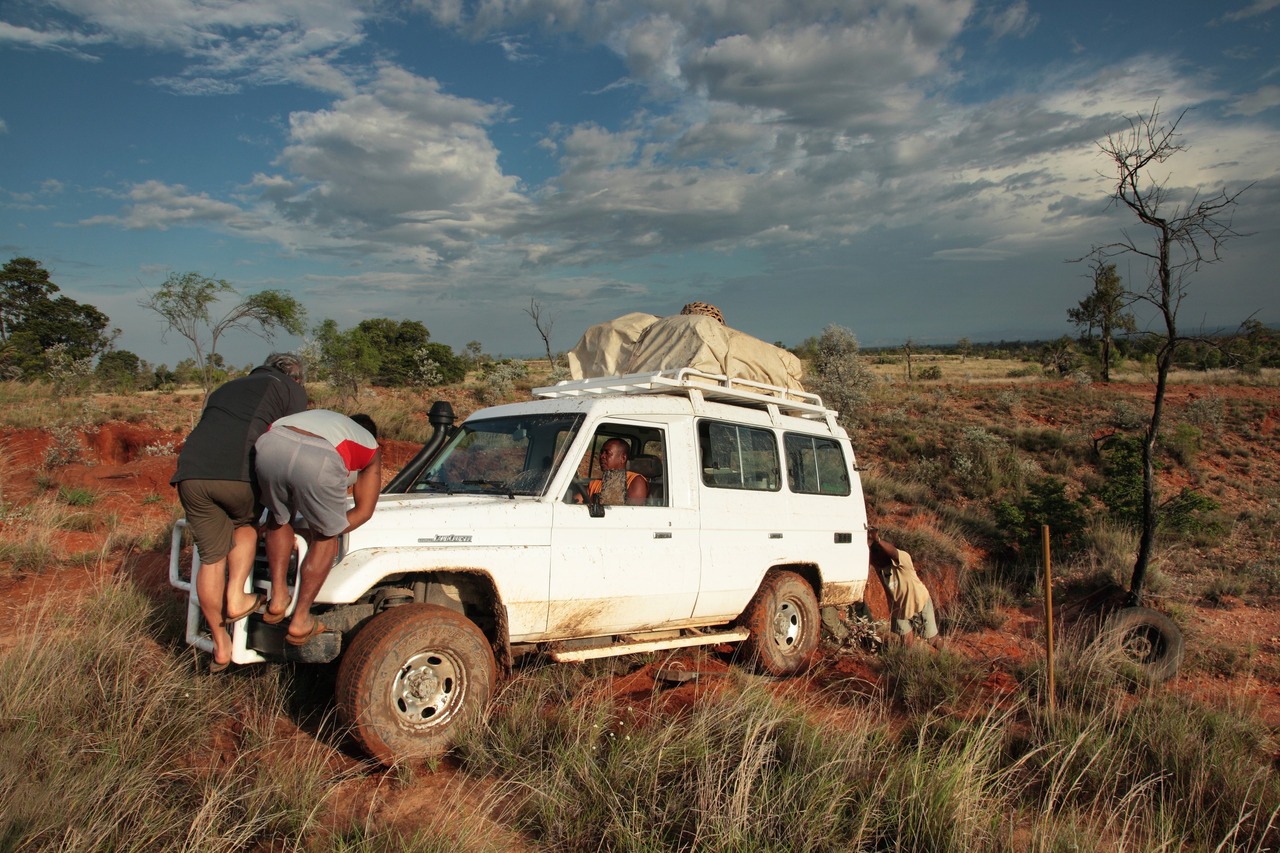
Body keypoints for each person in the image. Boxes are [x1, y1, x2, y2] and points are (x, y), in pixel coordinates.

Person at [171, 352, 307, 672]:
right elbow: (293, 437)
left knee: (211, 558)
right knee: (244, 525)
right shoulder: (290, 389)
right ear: (296, 377)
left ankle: (220, 646)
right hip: (237, 474)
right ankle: (237, 596)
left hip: (191, 473)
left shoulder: (227, 387)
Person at [255, 410, 382, 647]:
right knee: (326, 537)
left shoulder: (324, 419)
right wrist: (320, 531)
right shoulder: (370, 446)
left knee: (279, 516)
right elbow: (363, 511)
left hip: (272, 442)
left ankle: (278, 598)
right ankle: (301, 619)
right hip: (319, 457)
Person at [868, 527, 940, 648]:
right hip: (899, 607)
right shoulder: (880, 569)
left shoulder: (903, 560)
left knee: (932, 640)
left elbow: (894, 553)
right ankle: (907, 662)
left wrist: (878, 540)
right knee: (906, 642)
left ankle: (948, 654)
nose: (873, 561)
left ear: (882, 554)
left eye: (874, 558)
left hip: (918, 603)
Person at [576, 437, 648, 506]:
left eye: (607, 453)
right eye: (602, 452)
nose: (602, 456)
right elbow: (575, 504)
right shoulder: (594, 483)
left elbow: (631, 513)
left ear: (623, 458)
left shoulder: (635, 481)